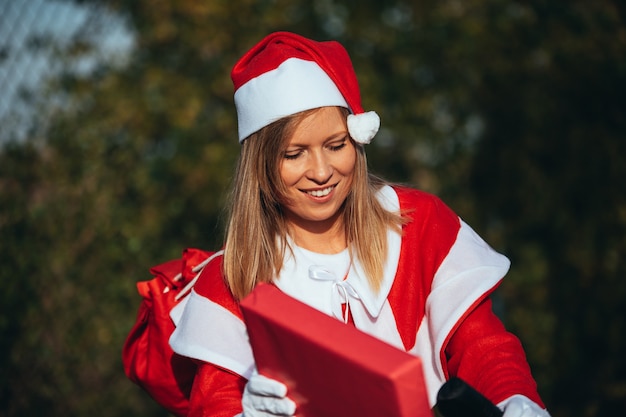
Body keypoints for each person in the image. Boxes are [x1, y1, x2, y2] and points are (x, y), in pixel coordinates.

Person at [169, 31, 550, 417]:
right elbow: (215, 403)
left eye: (336, 146)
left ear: (357, 141)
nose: (321, 172)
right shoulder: (231, 277)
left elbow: (482, 346)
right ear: (260, 167)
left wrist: (513, 400)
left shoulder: (418, 224)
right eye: (294, 154)